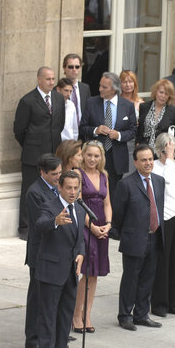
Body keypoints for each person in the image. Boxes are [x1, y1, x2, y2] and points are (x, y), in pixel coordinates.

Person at [33, 170, 85, 348]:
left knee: (65, 312)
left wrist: (81, 253)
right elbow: (39, 225)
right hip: (51, 269)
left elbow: (80, 238)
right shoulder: (50, 207)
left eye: (75, 188)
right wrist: (55, 221)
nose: (72, 192)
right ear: (60, 187)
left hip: (71, 271)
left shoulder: (79, 209)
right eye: (69, 188)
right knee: (48, 313)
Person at [114, 145, 165, 331]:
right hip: (134, 239)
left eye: (150, 159)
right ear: (135, 162)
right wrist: (126, 233)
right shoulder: (126, 184)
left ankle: (142, 314)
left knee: (147, 278)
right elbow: (118, 215)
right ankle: (125, 315)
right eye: (143, 160)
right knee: (131, 279)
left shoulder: (159, 181)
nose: (148, 163)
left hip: (155, 236)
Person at [13, 67, 66, 239]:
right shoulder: (27, 101)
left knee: (53, 189)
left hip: (53, 153)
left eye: (53, 79)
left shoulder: (58, 98)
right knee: (29, 190)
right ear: (39, 80)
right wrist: (31, 145)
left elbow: (60, 124)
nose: (51, 82)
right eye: (48, 79)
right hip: (32, 156)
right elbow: (19, 130)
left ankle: (50, 221)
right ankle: (25, 228)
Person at [22, 154, 62, 348]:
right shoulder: (35, 192)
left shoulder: (58, 189)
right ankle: (33, 337)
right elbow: (40, 223)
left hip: (56, 249)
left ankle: (51, 333)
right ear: (42, 173)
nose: (58, 177)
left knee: (52, 296)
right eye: (54, 174)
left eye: (60, 173)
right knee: (37, 296)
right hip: (40, 251)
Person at [74, 141, 112, 332]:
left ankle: (87, 315)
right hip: (85, 226)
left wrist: (108, 224)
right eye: (89, 155)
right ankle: (76, 315)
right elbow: (78, 203)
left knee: (95, 274)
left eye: (96, 156)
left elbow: (107, 203)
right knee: (85, 272)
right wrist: (92, 226)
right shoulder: (78, 175)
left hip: (102, 227)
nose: (92, 159)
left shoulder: (104, 175)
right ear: (83, 155)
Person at [79, 71, 138, 193]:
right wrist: (96, 130)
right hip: (94, 157)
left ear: (114, 89)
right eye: (100, 85)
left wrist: (119, 135)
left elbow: (133, 131)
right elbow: (83, 127)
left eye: (104, 87)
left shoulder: (127, 106)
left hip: (116, 159)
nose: (100, 89)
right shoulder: (91, 103)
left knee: (113, 194)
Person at [151, 134, 175, 317]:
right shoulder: (156, 167)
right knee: (162, 261)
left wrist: (172, 161)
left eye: (172, 147)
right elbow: (165, 184)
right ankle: (160, 304)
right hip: (164, 216)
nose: (169, 151)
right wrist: (169, 160)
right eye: (166, 148)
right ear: (160, 149)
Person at [138, 79, 175, 150]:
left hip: (163, 152)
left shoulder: (174, 112)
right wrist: (137, 143)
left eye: (166, 94)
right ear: (155, 92)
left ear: (169, 96)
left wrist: (171, 147)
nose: (163, 96)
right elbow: (139, 129)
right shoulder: (144, 107)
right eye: (161, 92)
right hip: (144, 150)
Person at [62, 53, 91, 140]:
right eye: (70, 67)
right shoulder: (57, 90)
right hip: (66, 137)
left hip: (84, 135)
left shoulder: (85, 88)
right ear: (64, 68)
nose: (74, 70)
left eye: (77, 67)